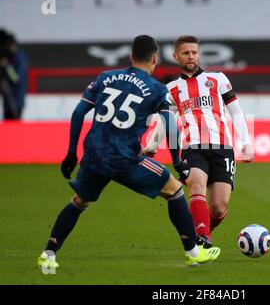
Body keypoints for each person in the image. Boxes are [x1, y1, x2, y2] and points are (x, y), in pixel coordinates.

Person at [36, 35, 221, 271]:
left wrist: (71, 153)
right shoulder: (155, 88)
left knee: (79, 202)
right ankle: (193, 253)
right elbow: (170, 124)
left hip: (93, 156)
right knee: (174, 190)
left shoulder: (106, 77)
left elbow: (78, 113)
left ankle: (49, 253)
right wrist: (177, 161)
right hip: (125, 159)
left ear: (131, 56)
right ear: (155, 59)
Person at [144, 35, 253, 248]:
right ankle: (203, 240)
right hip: (192, 147)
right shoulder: (171, 88)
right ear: (176, 56)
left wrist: (246, 143)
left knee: (219, 207)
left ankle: (202, 231)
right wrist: (151, 145)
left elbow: (236, 112)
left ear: (199, 54)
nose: (191, 56)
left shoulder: (218, 79)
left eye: (194, 52)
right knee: (196, 186)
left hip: (222, 147)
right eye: (186, 53)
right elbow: (165, 120)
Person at [0, 30, 28, 120]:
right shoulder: (9, 57)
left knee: (14, 127)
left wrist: (7, 66)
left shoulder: (20, 58)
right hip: (7, 101)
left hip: (16, 101)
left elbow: (15, 78)